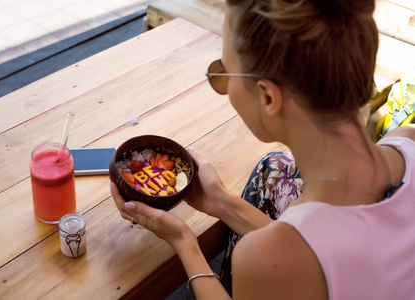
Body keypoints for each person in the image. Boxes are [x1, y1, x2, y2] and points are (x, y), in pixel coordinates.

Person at [111, 0, 415, 299]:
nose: (223, 86)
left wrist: (184, 242)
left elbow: (290, 253)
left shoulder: (269, 257)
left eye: (224, 72)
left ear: (268, 97)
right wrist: (221, 202)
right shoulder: (408, 140)